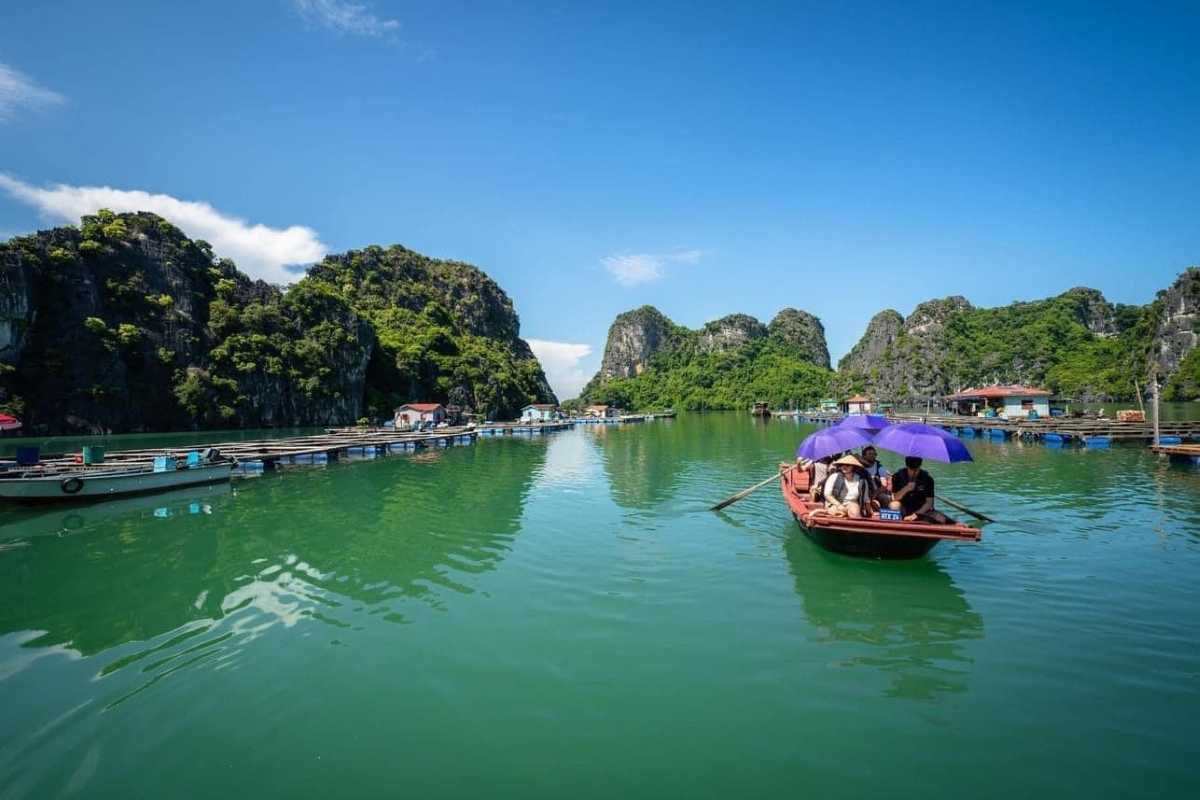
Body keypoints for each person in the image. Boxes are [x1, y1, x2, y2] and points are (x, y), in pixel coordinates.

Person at [889, 456, 951, 524]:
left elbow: (929, 503)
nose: (913, 472)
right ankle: (899, 526)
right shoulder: (897, 476)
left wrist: (916, 514)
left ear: (920, 467)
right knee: (894, 505)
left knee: (942, 519)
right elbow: (895, 498)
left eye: (916, 469)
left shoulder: (928, 479)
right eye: (911, 469)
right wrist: (906, 488)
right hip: (903, 506)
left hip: (921, 508)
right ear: (907, 466)